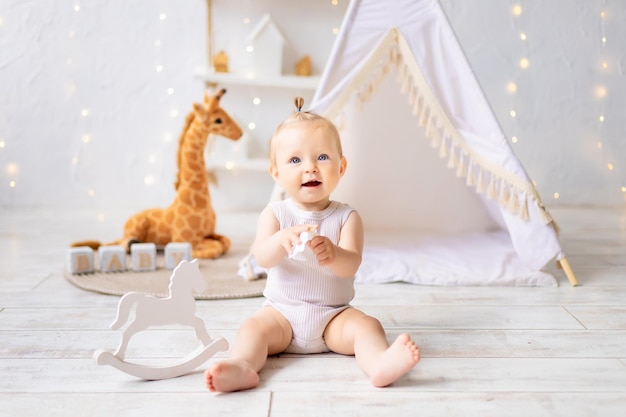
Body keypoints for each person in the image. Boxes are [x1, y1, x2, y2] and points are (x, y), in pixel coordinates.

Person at [205, 97, 420, 392]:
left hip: (333, 317)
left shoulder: (347, 217)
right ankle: (241, 366)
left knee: (368, 326)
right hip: (281, 316)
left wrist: (334, 254)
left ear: (341, 167)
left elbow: (351, 264)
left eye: (322, 157)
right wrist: (280, 240)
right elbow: (263, 258)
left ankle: (379, 363)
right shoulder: (275, 214)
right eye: (295, 160)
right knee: (251, 328)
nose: (310, 168)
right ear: (276, 173)